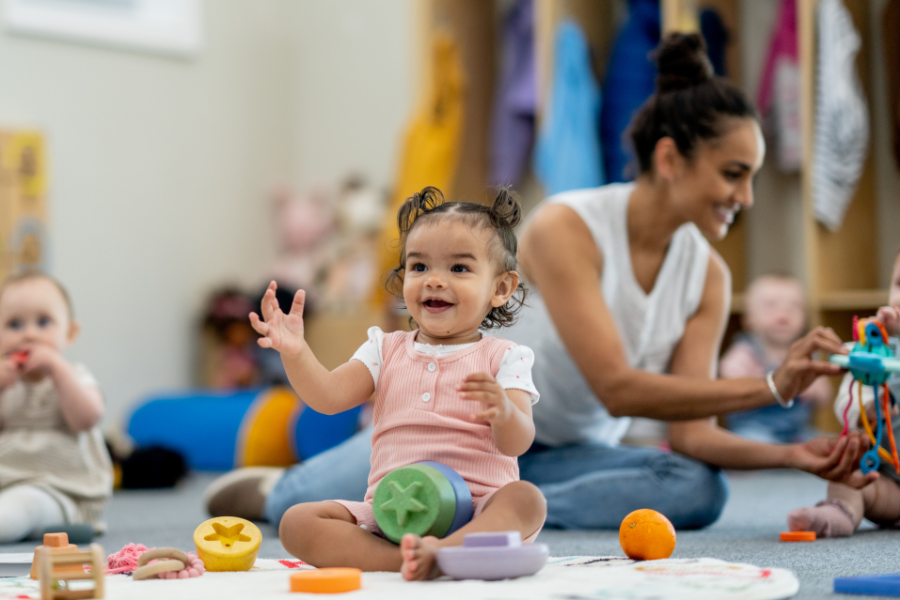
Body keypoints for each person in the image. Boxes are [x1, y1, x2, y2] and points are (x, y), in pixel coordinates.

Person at [204, 33, 869, 532]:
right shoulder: (566, 228)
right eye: (734, 173)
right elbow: (616, 384)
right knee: (299, 507)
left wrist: (793, 456)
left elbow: (692, 435)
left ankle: (488, 512)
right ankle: (286, 490)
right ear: (669, 159)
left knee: (697, 489)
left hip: (550, 448)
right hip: (450, 430)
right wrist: (775, 385)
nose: (746, 196)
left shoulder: (709, 277)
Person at [251, 187, 545, 580]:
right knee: (297, 521)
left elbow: (518, 442)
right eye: (420, 267)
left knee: (527, 500)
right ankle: (406, 559)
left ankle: (447, 551)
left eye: (459, 268)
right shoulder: (384, 348)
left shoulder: (505, 356)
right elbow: (328, 397)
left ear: (501, 288)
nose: (434, 281)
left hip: (479, 508)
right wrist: (296, 352)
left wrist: (504, 412)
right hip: (393, 515)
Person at [787, 251, 900, 537]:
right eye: (899, 284)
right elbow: (847, 411)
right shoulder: (877, 354)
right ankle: (837, 511)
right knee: (850, 477)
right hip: (890, 485)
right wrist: (871, 406)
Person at [0, 271, 112, 542]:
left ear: (70, 333)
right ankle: (36, 525)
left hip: (59, 488)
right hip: (6, 482)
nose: (29, 334)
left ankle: (31, 522)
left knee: (24, 507)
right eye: (14, 325)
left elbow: (87, 418)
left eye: (43, 322)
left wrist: (58, 369)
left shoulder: (74, 375)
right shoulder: (6, 381)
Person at [720, 274, 832, 443]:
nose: (783, 314)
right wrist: (751, 378)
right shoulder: (746, 351)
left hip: (796, 431)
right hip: (753, 428)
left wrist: (814, 389)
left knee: (827, 443)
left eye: (794, 307)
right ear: (748, 319)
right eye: (771, 306)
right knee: (749, 443)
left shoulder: (805, 353)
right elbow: (726, 376)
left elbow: (824, 395)